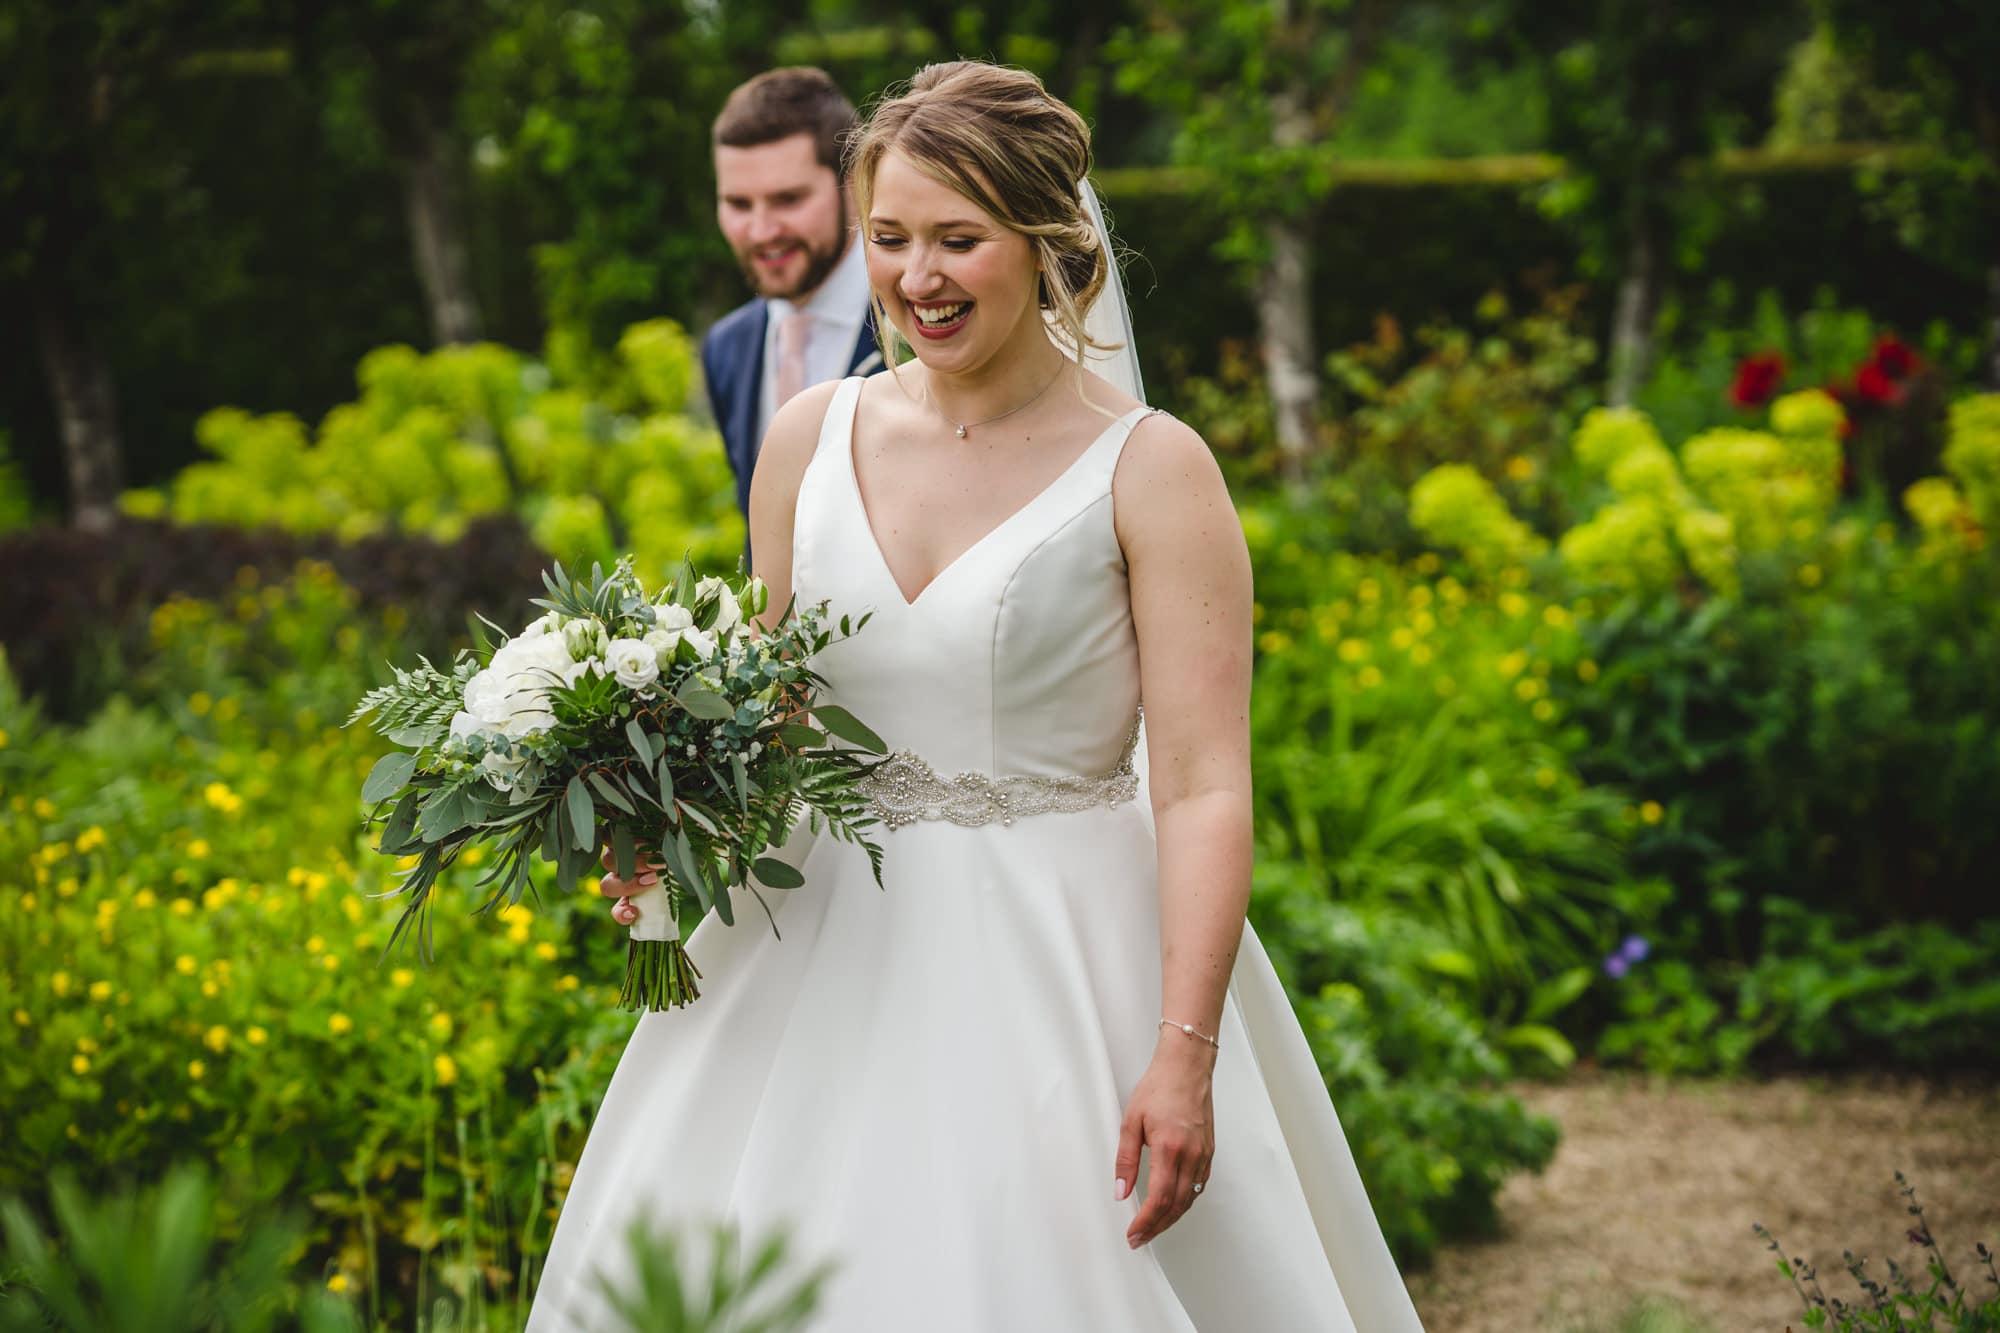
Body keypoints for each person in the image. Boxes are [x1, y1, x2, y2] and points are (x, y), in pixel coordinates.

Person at [529, 61, 1426, 1332]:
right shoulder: (804, 439)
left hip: (1063, 962)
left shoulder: (1153, 470)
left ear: (1050, 242)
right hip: (809, 952)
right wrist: (673, 845)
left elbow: (1202, 781)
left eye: (961, 239)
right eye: (889, 238)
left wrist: (1183, 1050)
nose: (917, 277)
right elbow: (770, 722)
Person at [703, 67, 882, 545]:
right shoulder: (725, 349)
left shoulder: (922, 318)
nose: (761, 231)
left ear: (854, 182)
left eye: (788, 199)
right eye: (739, 204)